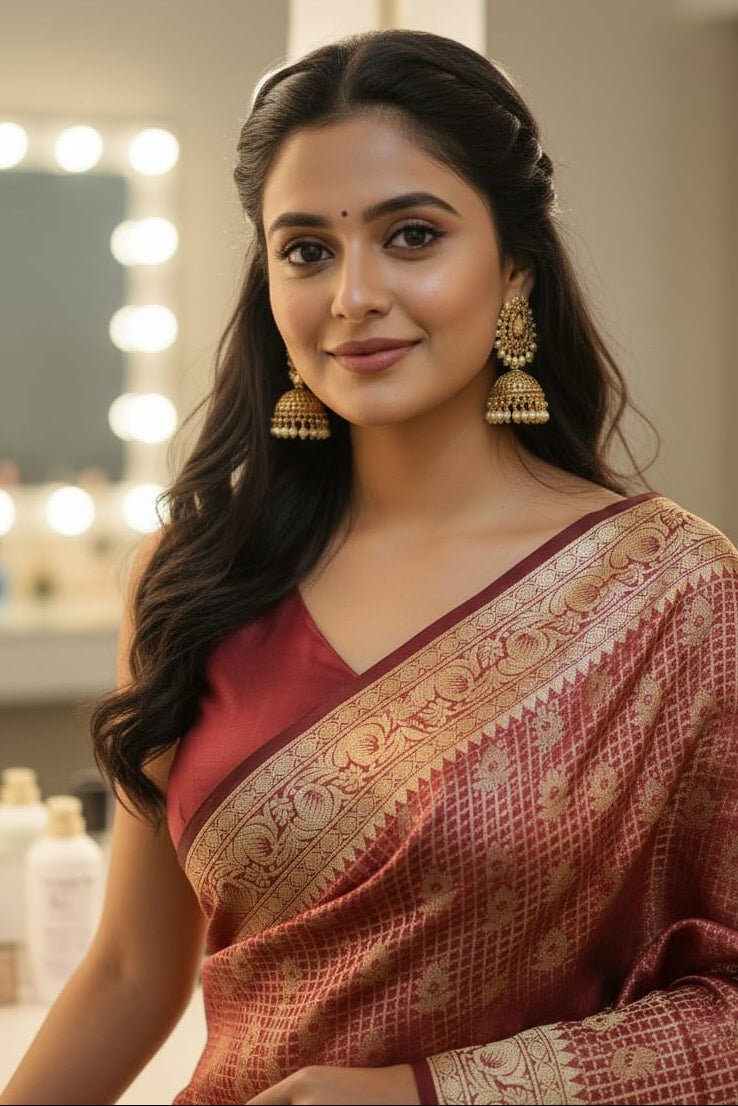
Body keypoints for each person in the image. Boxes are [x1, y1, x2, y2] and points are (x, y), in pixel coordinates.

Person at [2, 27, 737, 1106]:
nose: (352, 293)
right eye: (306, 249)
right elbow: (126, 972)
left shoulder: (673, 593)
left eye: (412, 235)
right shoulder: (195, 574)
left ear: (515, 271)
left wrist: (420, 1091)